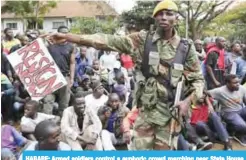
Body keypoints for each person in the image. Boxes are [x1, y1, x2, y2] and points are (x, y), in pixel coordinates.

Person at [43, 0, 204, 150]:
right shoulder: (142, 39)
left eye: (169, 13)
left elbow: (198, 80)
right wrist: (69, 37)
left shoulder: (186, 48)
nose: (164, 17)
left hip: (170, 116)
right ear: (154, 17)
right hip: (146, 113)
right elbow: (107, 40)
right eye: (160, 14)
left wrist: (187, 102)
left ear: (177, 18)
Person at [43, 26, 76, 116]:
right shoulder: (50, 46)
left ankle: (62, 123)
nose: (64, 35)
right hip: (51, 78)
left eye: (66, 33)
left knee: (64, 103)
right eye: (62, 32)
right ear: (57, 33)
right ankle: (47, 123)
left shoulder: (71, 47)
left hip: (65, 77)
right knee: (48, 101)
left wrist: (71, 78)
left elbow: (72, 63)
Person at [208, 74, 246, 146]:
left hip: (241, 109)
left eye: (238, 82)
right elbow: (206, 93)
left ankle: (238, 131)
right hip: (228, 112)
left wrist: (241, 102)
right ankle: (238, 135)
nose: (238, 84)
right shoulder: (220, 91)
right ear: (227, 83)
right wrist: (209, 104)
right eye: (235, 83)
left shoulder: (242, 88)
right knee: (243, 126)